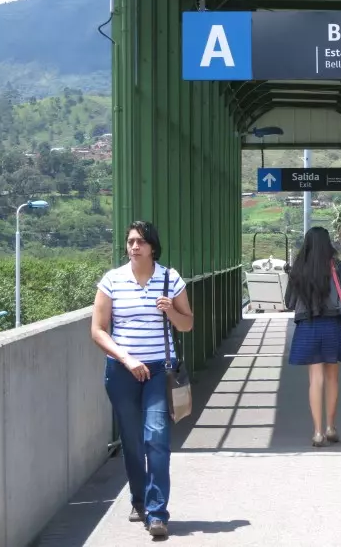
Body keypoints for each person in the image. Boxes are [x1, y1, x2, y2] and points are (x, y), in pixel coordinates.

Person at [91, 221, 193, 538]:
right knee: (133, 442)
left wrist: (170, 312)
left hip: (159, 370)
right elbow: (97, 330)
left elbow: (187, 324)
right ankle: (139, 500)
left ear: (153, 247)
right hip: (123, 371)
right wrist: (126, 358)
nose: (135, 246)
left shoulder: (170, 279)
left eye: (141, 242)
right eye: (131, 241)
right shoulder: (112, 280)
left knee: (157, 437)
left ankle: (157, 512)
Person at [285, 226, 341, 447]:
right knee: (332, 378)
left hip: (307, 326)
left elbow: (289, 303)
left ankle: (316, 432)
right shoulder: (338, 267)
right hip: (332, 325)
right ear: (328, 244)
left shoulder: (298, 269)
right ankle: (331, 427)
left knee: (315, 379)